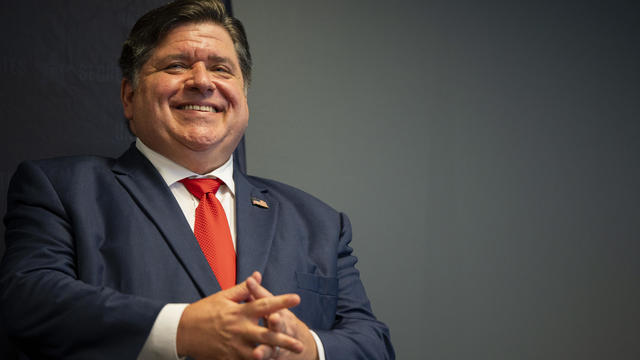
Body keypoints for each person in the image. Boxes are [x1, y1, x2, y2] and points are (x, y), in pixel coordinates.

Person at [0, 0, 394, 359]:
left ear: (243, 96)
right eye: (176, 65)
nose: (203, 81)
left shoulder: (320, 222)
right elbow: (27, 301)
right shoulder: (61, 189)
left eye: (222, 68)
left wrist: (309, 348)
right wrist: (181, 329)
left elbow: (373, 344)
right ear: (128, 96)